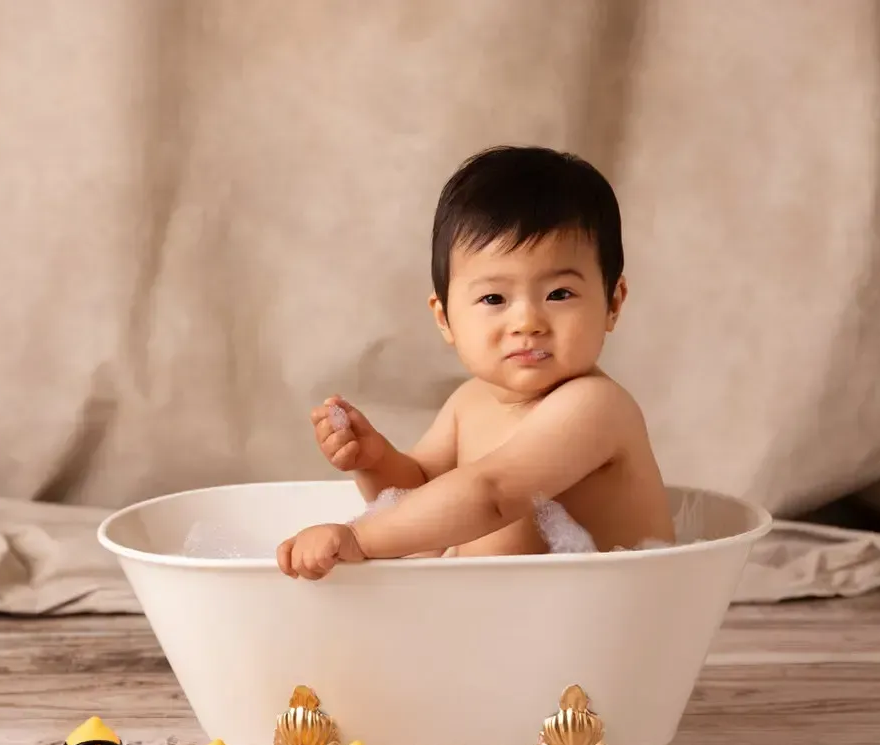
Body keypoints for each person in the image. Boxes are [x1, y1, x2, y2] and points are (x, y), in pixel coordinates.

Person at [277, 145, 675, 581]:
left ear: (612, 304)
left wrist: (360, 538)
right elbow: (420, 502)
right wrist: (375, 460)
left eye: (559, 294)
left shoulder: (595, 407)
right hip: (497, 623)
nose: (527, 322)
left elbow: (492, 494)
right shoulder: (469, 403)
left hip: (600, 624)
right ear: (445, 318)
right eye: (493, 298)